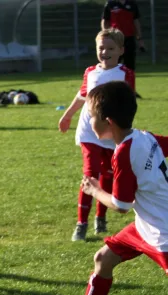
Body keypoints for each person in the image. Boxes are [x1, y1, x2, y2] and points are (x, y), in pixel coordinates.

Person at [50, 81, 168, 295]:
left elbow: (121, 205)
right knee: (103, 259)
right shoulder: (143, 136)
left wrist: (94, 191)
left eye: (91, 116)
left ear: (108, 122)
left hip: (163, 234)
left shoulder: (124, 152)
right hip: (145, 227)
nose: (89, 122)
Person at [58, 28, 135, 242]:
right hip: (88, 132)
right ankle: (81, 224)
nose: (105, 52)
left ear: (121, 50)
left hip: (111, 132)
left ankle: (100, 218)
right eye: (101, 47)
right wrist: (67, 116)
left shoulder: (125, 74)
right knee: (90, 175)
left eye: (110, 48)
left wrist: (124, 130)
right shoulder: (91, 71)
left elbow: (128, 104)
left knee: (108, 176)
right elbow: (82, 96)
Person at [101, 0, 145, 98]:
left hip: (129, 38)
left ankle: (131, 91)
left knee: (130, 66)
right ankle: (108, 90)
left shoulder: (132, 4)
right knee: (112, 65)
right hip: (116, 39)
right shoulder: (110, 4)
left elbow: (136, 21)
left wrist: (139, 38)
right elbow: (105, 21)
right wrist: (106, 35)